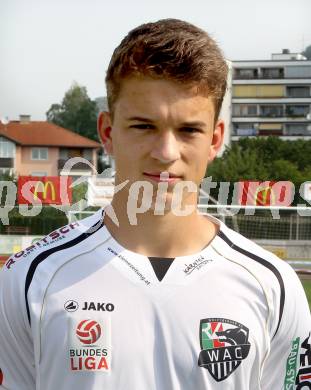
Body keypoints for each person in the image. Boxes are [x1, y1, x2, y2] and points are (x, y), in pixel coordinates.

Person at [0, 18, 310, 390]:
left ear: (215, 139)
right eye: (144, 126)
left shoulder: (272, 286)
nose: (166, 153)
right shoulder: (29, 280)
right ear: (108, 133)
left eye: (188, 130)